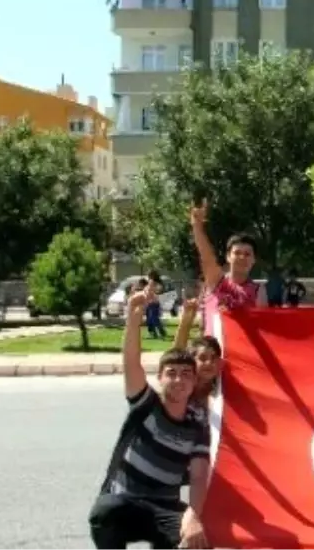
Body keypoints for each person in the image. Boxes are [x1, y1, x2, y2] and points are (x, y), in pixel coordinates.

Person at [88, 288, 210, 550]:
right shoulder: (146, 404)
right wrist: (134, 318)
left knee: (197, 540)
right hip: (125, 501)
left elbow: (199, 477)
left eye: (186, 374)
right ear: (160, 378)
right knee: (105, 512)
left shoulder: (197, 424)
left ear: (194, 380)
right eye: (172, 373)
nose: (179, 380)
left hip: (164, 507)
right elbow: (132, 361)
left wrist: (193, 516)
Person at [190, 199, 266, 335]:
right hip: (213, 351)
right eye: (237, 253)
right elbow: (207, 257)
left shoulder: (258, 291)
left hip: (243, 352)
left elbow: (264, 328)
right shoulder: (217, 282)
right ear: (228, 257)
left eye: (247, 254)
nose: (242, 257)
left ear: (254, 260)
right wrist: (197, 227)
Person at [173, 297, 224, 424]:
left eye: (213, 358)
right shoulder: (183, 387)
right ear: (191, 360)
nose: (209, 363)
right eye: (202, 358)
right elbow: (176, 355)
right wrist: (186, 320)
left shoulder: (222, 389)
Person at [144, 271, 167, 340]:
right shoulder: (154, 283)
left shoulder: (154, 282)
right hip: (150, 302)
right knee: (150, 319)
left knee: (153, 318)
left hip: (153, 302)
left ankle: (160, 331)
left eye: (149, 275)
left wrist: (151, 292)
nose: (148, 276)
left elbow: (156, 291)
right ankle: (153, 333)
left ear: (152, 276)